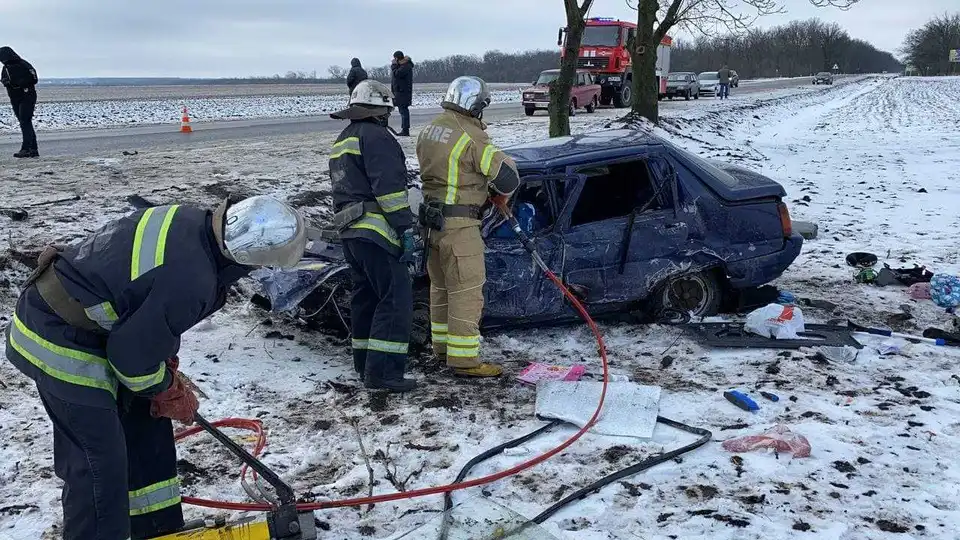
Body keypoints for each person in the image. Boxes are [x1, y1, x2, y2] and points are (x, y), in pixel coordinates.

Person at [4, 195, 307, 540]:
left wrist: (162, 375)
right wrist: (165, 388)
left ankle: (155, 529)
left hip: (94, 329)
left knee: (147, 426)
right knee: (100, 463)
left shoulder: (195, 224)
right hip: (58, 337)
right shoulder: (193, 279)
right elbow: (131, 360)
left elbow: (143, 302)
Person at [415, 76, 519, 378]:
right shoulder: (471, 135)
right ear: (476, 105)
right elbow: (508, 177)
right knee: (467, 290)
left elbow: (450, 173)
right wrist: (496, 193)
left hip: (431, 224)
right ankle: (464, 361)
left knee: (442, 288)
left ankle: (442, 349)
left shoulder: (430, 128)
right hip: (460, 227)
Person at [329, 79, 418, 393]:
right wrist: (405, 228)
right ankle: (383, 375)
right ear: (382, 110)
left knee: (365, 299)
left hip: (350, 234)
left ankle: (364, 365)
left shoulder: (345, 137)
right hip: (375, 232)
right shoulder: (378, 137)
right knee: (395, 300)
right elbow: (390, 190)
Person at [0, 46, 39, 158]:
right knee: (25, 122)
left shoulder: (23, 64)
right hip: (15, 97)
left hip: (27, 95)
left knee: (25, 121)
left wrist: (19, 83)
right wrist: (7, 82)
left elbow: (34, 79)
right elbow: (5, 80)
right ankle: (33, 149)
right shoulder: (6, 68)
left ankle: (26, 148)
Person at [390, 50, 414, 136]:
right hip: (401, 93)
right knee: (403, 111)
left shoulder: (405, 66)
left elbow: (397, 74)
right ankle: (405, 129)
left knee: (403, 112)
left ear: (397, 58)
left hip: (402, 93)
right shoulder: (404, 66)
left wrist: (394, 65)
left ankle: (405, 130)